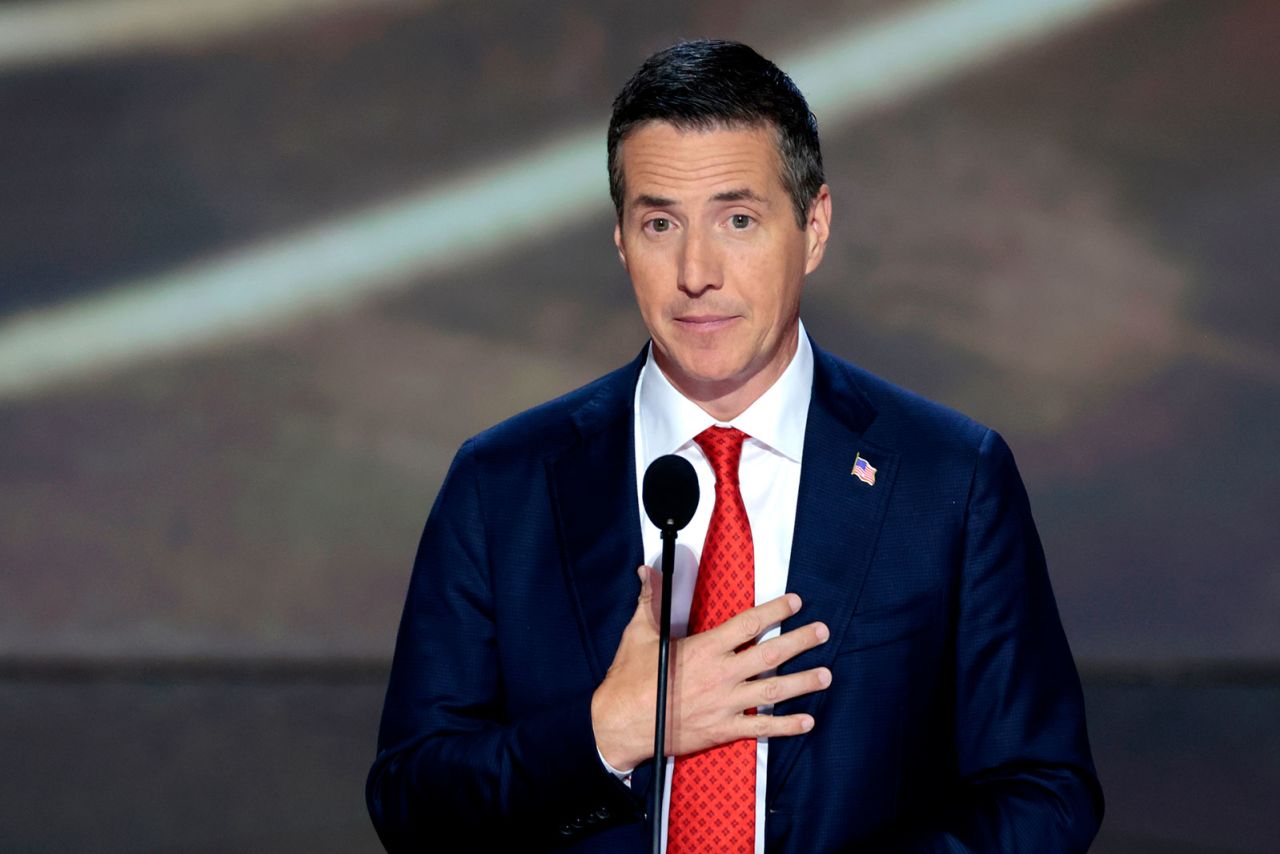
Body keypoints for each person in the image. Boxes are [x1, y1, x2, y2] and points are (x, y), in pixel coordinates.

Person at [367, 39, 1102, 853]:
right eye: (659, 223)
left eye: (739, 219)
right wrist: (606, 735)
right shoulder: (502, 485)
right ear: (619, 240)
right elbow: (412, 804)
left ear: (814, 228)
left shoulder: (949, 478)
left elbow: (1044, 794)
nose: (696, 271)